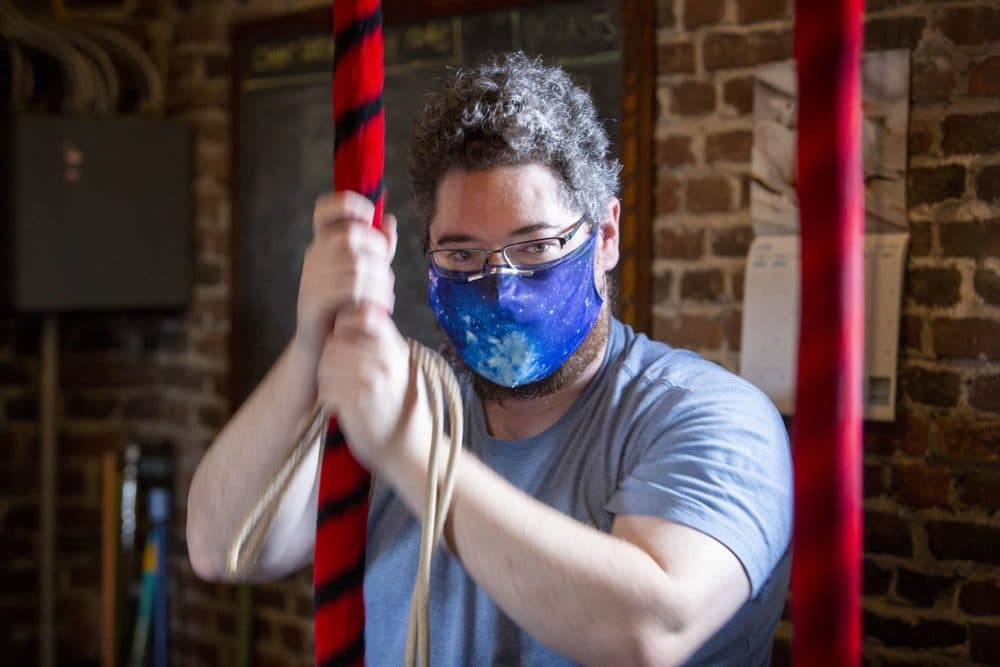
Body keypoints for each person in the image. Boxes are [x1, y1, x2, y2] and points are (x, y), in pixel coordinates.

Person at [187, 52, 792, 666]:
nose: (501, 286)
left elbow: (650, 632)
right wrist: (313, 339)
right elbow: (226, 546)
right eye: (463, 254)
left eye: (535, 246)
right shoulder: (412, 400)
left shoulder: (710, 417)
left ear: (605, 235)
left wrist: (410, 451)